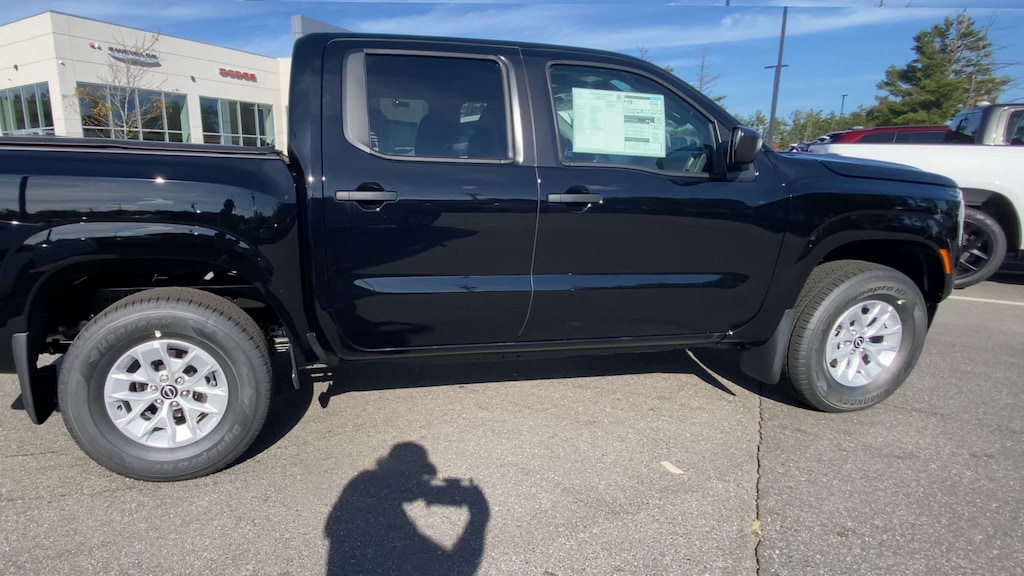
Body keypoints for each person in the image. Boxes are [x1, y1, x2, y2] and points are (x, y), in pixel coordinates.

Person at [324, 443, 490, 576]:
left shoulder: (363, 485)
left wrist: (425, 490)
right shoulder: (385, 520)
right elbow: (456, 570)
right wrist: (478, 518)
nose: (421, 483)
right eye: (417, 477)